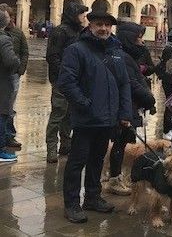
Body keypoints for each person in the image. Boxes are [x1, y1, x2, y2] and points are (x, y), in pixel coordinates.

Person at [57, 11, 132, 223]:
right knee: (76, 162)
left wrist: (125, 113)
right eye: (99, 24)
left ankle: (92, 197)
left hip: (108, 119)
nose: (104, 29)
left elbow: (124, 83)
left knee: (97, 160)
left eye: (108, 25)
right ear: (90, 25)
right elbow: (66, 82)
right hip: (86, 119)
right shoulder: (76, 50)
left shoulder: (116, 51)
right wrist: (84, 104)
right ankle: (71, 203)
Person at [105, 22, 156, 196]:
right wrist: (149, 98)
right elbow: (131, 84)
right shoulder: (124, 57)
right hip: (126, 107)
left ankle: (116, 175)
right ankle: (114, 178)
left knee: (123, 142)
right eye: (138, 37)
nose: (142, 41)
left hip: (131, 105)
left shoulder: (129, 55)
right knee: (120, 143)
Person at [44, 2, 89, 163]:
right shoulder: (60, 31)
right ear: (73, 15)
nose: (84, 18)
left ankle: (65, 143)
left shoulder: (81, 32)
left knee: (69, 114)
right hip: (61, 81)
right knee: (58, 112)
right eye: (82, 14)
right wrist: (63, 76)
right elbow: (52, 56)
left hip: (76, 82)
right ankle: (51, 147)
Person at [0, 4, 28, 148]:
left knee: (9, 108)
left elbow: (25, 51)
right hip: (4, 75)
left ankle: (9, 136)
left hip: (13, 75)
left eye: (10, 16)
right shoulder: (3, 36)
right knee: (4, 108)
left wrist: (20, 69)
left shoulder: (18, 33)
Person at [0, 10, 20, 162]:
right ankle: (1, 150)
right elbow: (10, 61)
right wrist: (17, 62)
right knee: (2, 115)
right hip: (3, 83)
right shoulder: (4, 39)